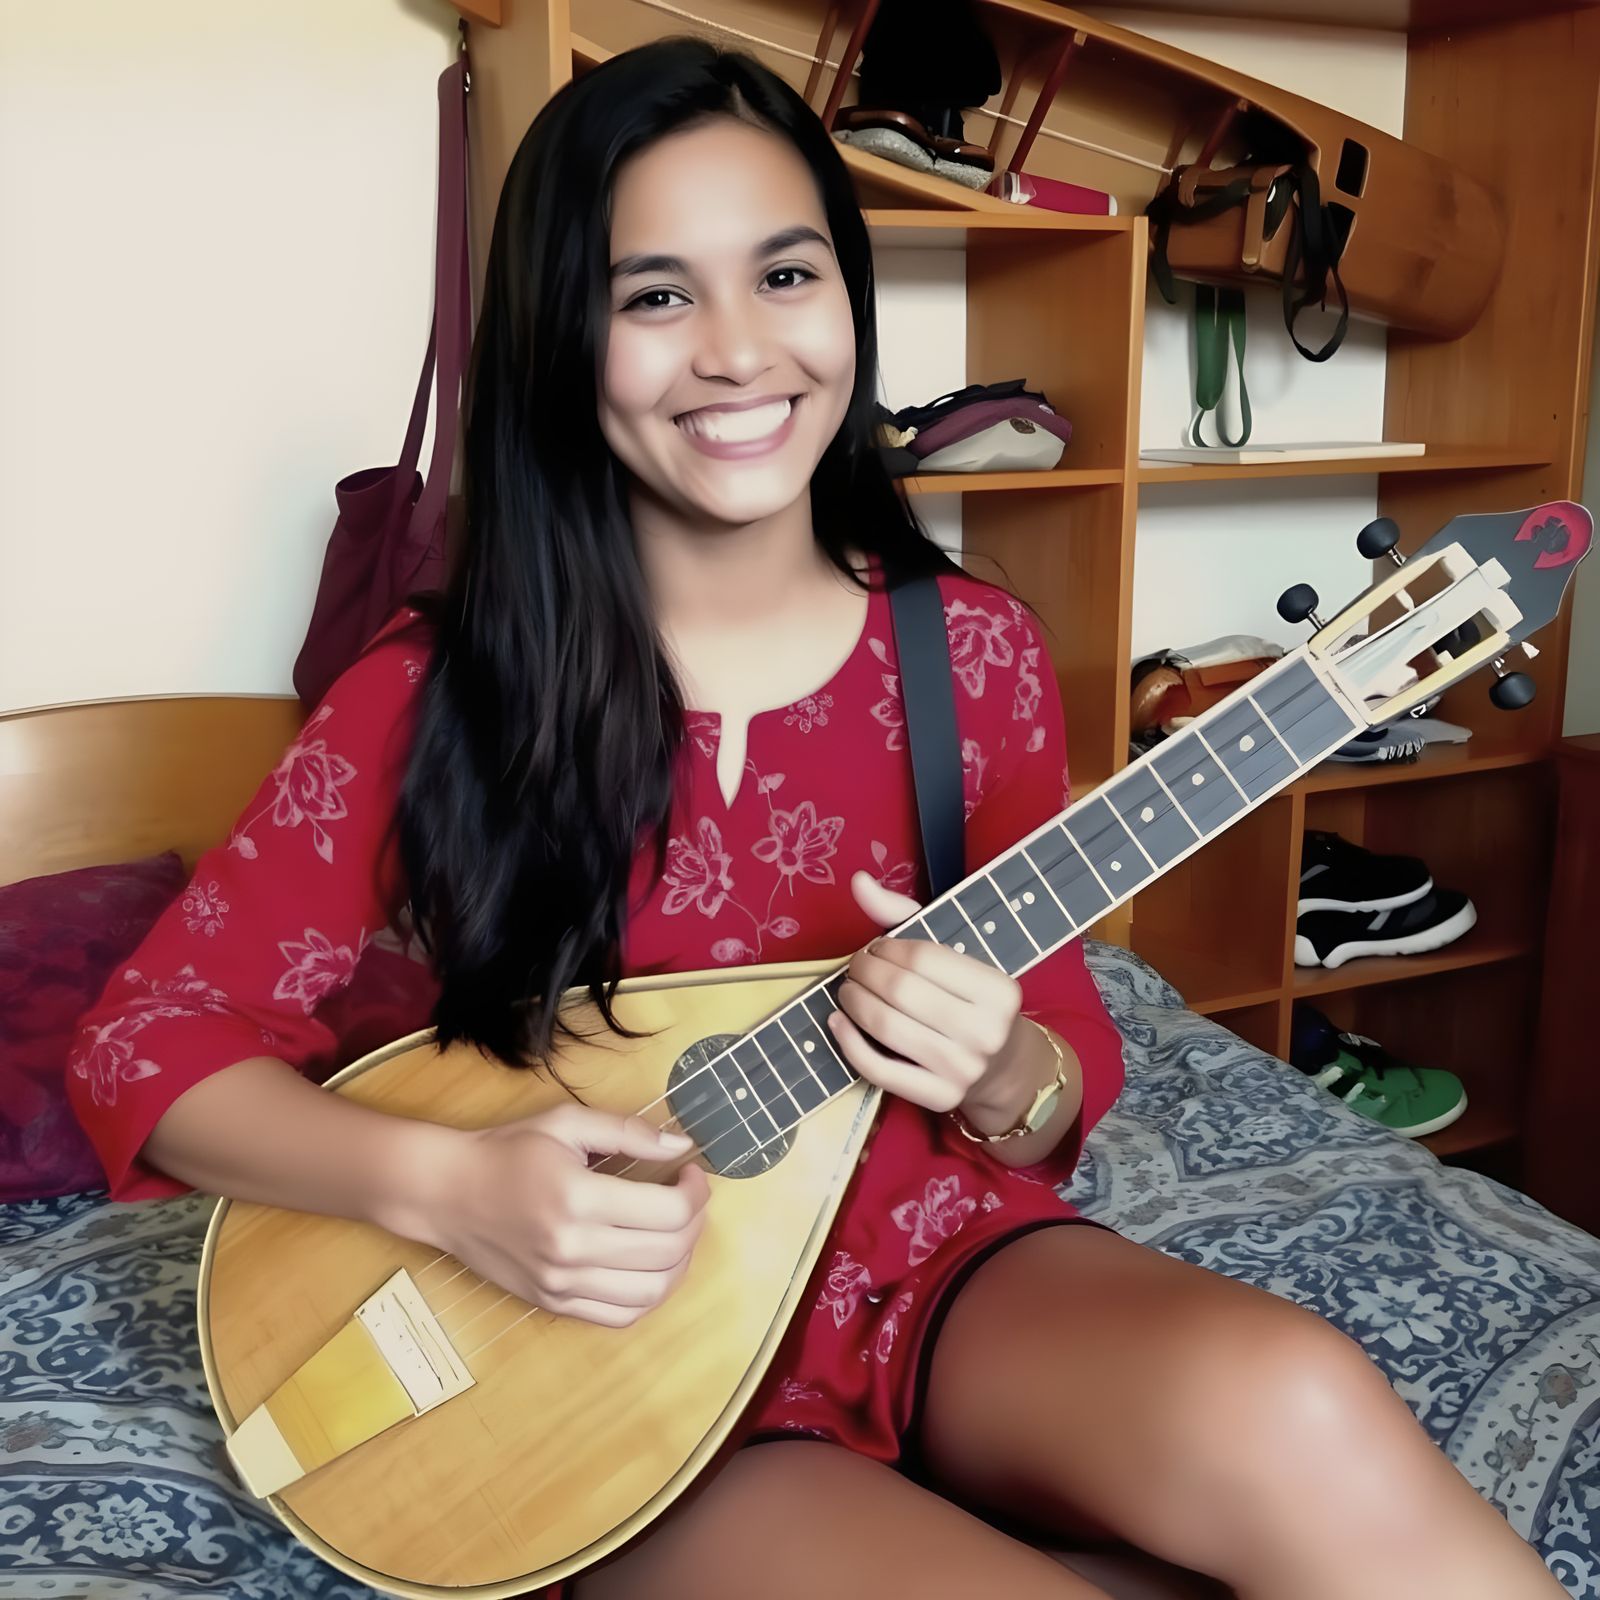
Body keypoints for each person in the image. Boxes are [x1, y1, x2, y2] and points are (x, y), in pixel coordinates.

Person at [66, 36, 1564, 1600]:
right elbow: (145, 1040)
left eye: (786, 276)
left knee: (1306, 1405)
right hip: (618, 1359)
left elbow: (1057, 1064)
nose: (736, 350)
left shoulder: (970, 654)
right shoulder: (435, 692)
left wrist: (1001, 1070)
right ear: (563, 341)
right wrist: (451, 1191)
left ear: (850, 297)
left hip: (946, 1268)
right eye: (655, 295)